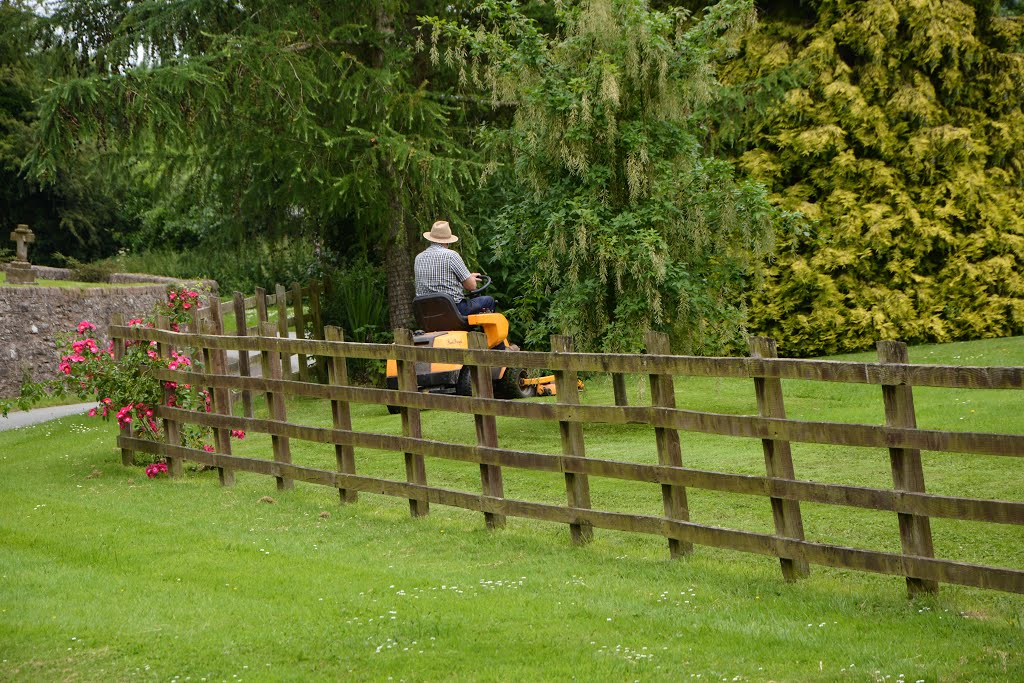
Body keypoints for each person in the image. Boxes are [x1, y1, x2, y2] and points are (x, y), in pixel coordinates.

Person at [414, 220, 496, 316]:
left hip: (427, 313)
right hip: (453, 311)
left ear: (431, 239)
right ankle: (482, 331)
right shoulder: (451, 256)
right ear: (447, 241)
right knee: (488, 301)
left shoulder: (418, 258)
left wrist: (468, 276)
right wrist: (470, 279)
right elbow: (471, 286)